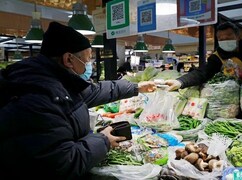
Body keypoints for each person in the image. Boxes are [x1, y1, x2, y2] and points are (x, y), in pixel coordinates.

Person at [0, 22, 156, 179]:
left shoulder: (56, 81)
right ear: (68, 59)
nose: (89, 66)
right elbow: (62, 163)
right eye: (87, 60)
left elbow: (95, 91)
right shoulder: (38, 98)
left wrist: (135, 88)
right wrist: (103, 140)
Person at [165, 22, 242, 91]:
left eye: (228, 36)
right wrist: (180, 82)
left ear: (237, 36)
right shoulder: (217, 57)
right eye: (221, 39)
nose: (225, 40)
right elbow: (202, 73)